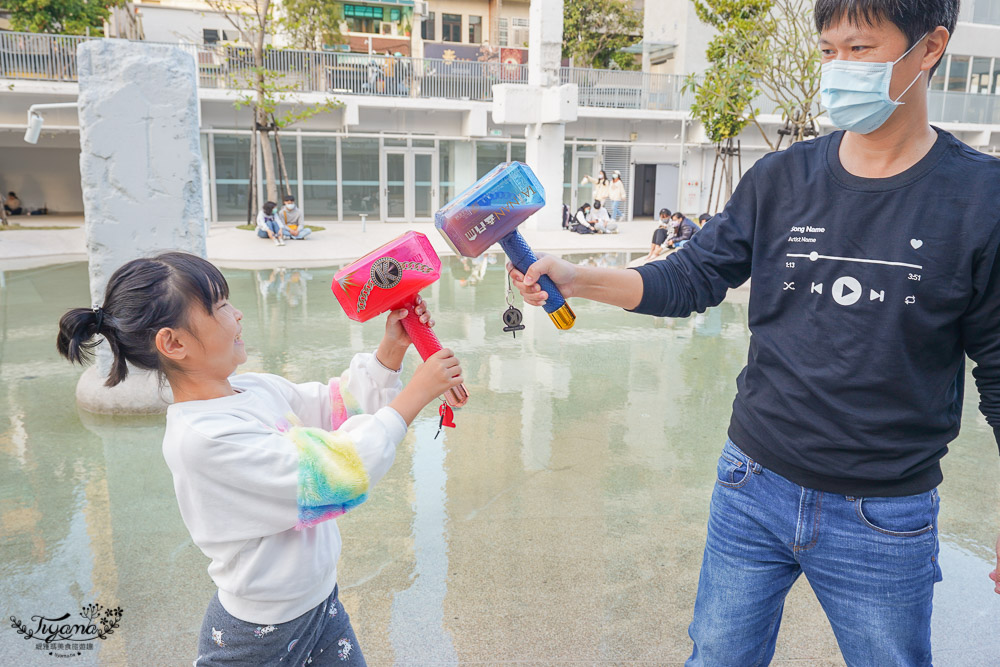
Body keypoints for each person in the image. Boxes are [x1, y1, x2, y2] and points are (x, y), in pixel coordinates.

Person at [509, 1, 1000, 663]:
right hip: (751, 483)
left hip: (883, 512)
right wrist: (576, 275)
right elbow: (692, 277)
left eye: (859, 49)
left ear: (930, 47)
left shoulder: (980, 200)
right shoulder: (781, 178)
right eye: (828, 51)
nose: (837, 71)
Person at [56, 252, 464, 665]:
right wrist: (415, 395)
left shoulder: (251, 389)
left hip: (321, 602)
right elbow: (333, 472)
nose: (238, 315)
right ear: (173, 343)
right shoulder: (205, 439)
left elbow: (334, 407)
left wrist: (389, 352)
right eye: (220, 307)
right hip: (260, 633)